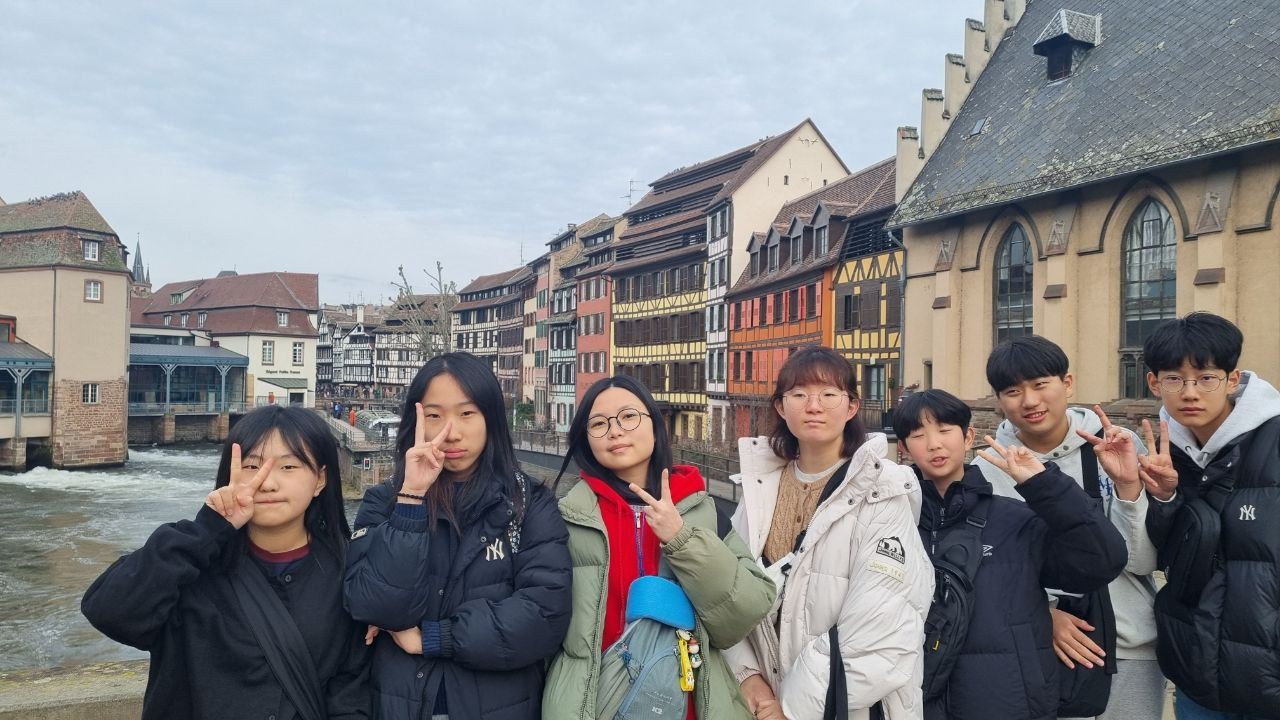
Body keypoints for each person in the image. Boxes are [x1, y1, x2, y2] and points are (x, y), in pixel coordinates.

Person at [82, 405, 370, 720]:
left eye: (288, 467)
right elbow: (109, 612)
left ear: (320, 480)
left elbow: (351, 693)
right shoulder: (190, 565)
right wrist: (208, 528)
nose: (267, 483)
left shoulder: (349, 574)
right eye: (252, 466)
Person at [344, 352, 572, 719]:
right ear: (415, 422)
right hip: (401, 703)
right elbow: (373, 605)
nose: (451, 432)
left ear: (490, 418)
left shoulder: (529, 503)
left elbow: (544, 616)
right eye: (434, 416)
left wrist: (434, 638)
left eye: (467, 413)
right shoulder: (386, 500)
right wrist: (411, 498)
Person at [542, 375, 774, 719]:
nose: (615, 431)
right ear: (585, 439)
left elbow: (745, 613)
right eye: (599, 424)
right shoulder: (566, 518)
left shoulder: (702, 511)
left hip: (691, 704)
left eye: (628, 416)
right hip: (592, 704)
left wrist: (682, 539)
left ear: (655, 426)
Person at [725, 346, 934, 720]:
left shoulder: (882, 492)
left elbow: (882, 627)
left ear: (851, 406)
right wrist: (748, 677)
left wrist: (792, 709)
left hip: (848, 707)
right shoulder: (758, 491)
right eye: (799, 395)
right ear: (781, 407)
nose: (813, 406)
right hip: (763, 702)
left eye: (828, 394)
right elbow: (730, 594)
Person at [894, 389, 1126, 719]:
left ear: (968, 437)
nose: (934, 444)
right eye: (918, 435)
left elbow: (1102, 561)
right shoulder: (893, 523)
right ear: (903, 448)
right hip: (911, 702)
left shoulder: (1016, 520)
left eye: (945, 430)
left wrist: (1044, 485)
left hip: (1006, 700)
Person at [974, 335, 1165, 719]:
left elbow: (1143, 561)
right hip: (1041, 646)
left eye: (1040, 384)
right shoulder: (989, 469)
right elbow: (990, 570)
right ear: (999, 400)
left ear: (1068, 383)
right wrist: (1043, 612)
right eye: (1013, 391)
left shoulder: (1116, 445)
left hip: (1130, 644)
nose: (1029, 401)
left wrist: (1129, 487)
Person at [1132, 313, 1280, 719]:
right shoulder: (1165, 453)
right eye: (1174, 379)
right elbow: (1167, 558)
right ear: (1154, 383)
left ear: (1233, 380)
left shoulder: (1272, 440)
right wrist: (1164, 498)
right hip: (1198, 674)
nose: (1190, 393)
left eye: (1206, 378)